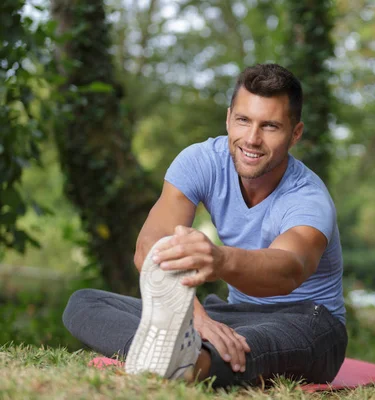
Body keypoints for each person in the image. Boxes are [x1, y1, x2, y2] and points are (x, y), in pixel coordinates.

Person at [62, 63, 347, 387]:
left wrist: (221, 259)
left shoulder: (308, 197)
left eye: (270, 126)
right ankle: (180, 352)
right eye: (243, 120)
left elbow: (290, 269)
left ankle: (191, 363)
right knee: (85, 303)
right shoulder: (201, 161)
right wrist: (192, 317)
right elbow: (149, 247)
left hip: (307, 321)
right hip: (232, 313)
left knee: (260, 341)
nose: (252, 139)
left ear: (295, 134)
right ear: (228, 119)